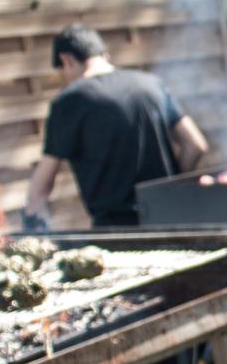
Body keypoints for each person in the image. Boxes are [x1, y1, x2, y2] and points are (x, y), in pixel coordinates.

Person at [25, 24, 208, 229]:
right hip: (170, 220)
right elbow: (195, 145)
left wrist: (31, 222)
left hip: (116, 231)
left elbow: (42, 185)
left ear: (66, 61)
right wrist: (167, 189)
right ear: (104, 55)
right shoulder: (152, 84)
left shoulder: (70, 101)